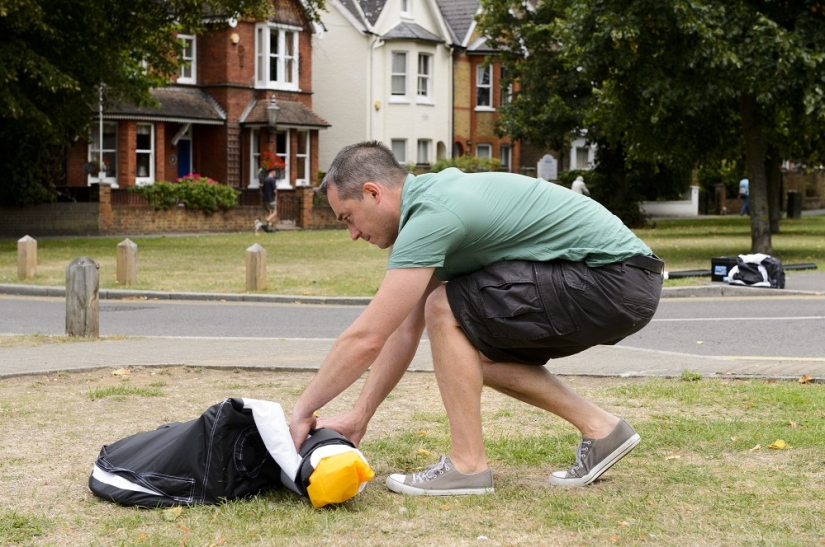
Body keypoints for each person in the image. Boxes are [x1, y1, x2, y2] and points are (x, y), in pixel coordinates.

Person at [289, 141, 663, 496]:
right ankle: (601, 428)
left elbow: (365, 337)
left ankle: (467, 466)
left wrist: (303, 410)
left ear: (373, 193)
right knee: (469, 354)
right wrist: (360, 415)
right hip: (625, 283)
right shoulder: (431, 205)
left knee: (444, 306)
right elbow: (401, 330)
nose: (352, 233)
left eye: (348, 218)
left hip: (612, 277)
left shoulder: (433, 216)